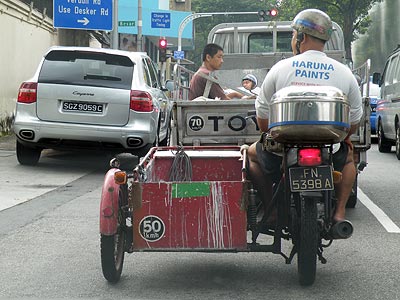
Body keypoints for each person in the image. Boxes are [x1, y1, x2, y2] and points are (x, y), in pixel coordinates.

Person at [247, 9, 363, 226]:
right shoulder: (344, 72)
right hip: (329, 143)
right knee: (349, 158)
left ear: (302, 37)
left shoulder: (280, 69)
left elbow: (263, 121)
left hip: (283, 146)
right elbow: (353, 122)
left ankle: (271, 210)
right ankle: (339, 214)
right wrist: (343, 136)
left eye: (294, 34)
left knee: (251, 156)